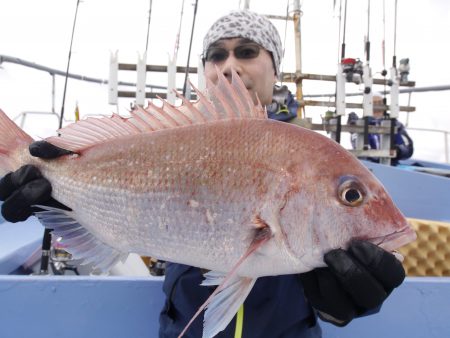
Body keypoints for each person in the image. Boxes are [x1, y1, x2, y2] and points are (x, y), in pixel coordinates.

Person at [0, 10, 406, 338]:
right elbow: (110, 224)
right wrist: (60, 199)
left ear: (274, 69)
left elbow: (350, 264)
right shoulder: (174, 136)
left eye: (247, 51)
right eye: (216, 55)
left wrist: (347, 300)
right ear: (205, 70)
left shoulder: (316, 154)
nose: (229, 65)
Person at [348, 92, 414, 165]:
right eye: (374, 103)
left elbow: (408, 149)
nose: (377, 106)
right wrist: (354, 127)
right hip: (368, 166)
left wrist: (398, 151)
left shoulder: (395, 124)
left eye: (380, 102)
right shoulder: (361, 124)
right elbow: (357, 146)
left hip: (392, 165)